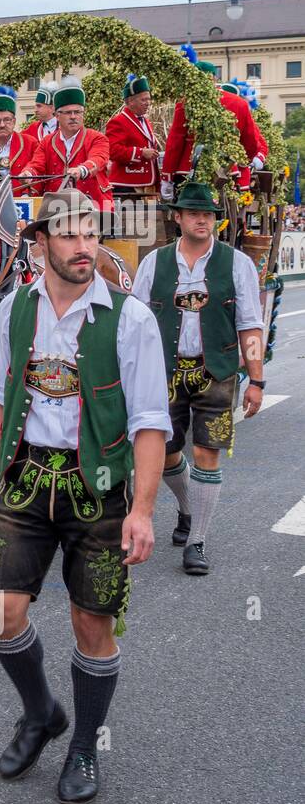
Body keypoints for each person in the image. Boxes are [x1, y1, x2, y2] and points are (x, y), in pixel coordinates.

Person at [0, 188, 170, 804]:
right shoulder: (15, 309)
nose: (86, 246)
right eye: (71, 235)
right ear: (41, 244)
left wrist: (142, 510)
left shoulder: (131, 319)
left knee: (92, 623)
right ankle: (41, 712)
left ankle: (84, 744)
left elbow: (150, 422)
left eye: (91, 233)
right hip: (27, 479)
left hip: (100, 488)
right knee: (1, 615)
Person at [130, 181, 265, 575]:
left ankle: (197, 541)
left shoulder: (236, 263)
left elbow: (251, 326)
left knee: (207, 452)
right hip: (164, 372)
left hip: (217, 372)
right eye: (194, 213)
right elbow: (136, 322)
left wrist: (256, 381)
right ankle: (188, 509)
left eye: (208, 214)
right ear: (178, 218)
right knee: (166, 453)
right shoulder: (155, 263)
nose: (202, 219)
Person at [161, 60, 267, 198]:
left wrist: (167, 177)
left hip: (189, 171)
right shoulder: (239, 103)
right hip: (227, 171)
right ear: (214, 78)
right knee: (225, 215)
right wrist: (244, 161)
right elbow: (250, 142)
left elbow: (175, 143)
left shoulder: (185, 103)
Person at [21, 76, 113, 210]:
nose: (74, 116)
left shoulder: (97, 138)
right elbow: (36, 164)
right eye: (68, 112)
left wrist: (82, 170)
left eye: (78, 112)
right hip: (57, 208)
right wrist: (28, 174)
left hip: (93, 206)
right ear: (57, 115)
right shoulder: (47, 142)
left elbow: (98, 159)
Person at [106, 75, 161, 193]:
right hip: (126, 184)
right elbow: (113, 151)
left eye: (149, 99)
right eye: (143, 100)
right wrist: (141, 153)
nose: (148, 103)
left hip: (146, 183)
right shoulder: (118, 121)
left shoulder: (145, 121)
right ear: (130, 101)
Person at [21, 81, 59, 145]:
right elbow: (16, 139)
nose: (35, 110)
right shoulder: (33, 128)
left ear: (52, 108)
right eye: (35, 106)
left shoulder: (64, 127)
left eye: (39, 106)